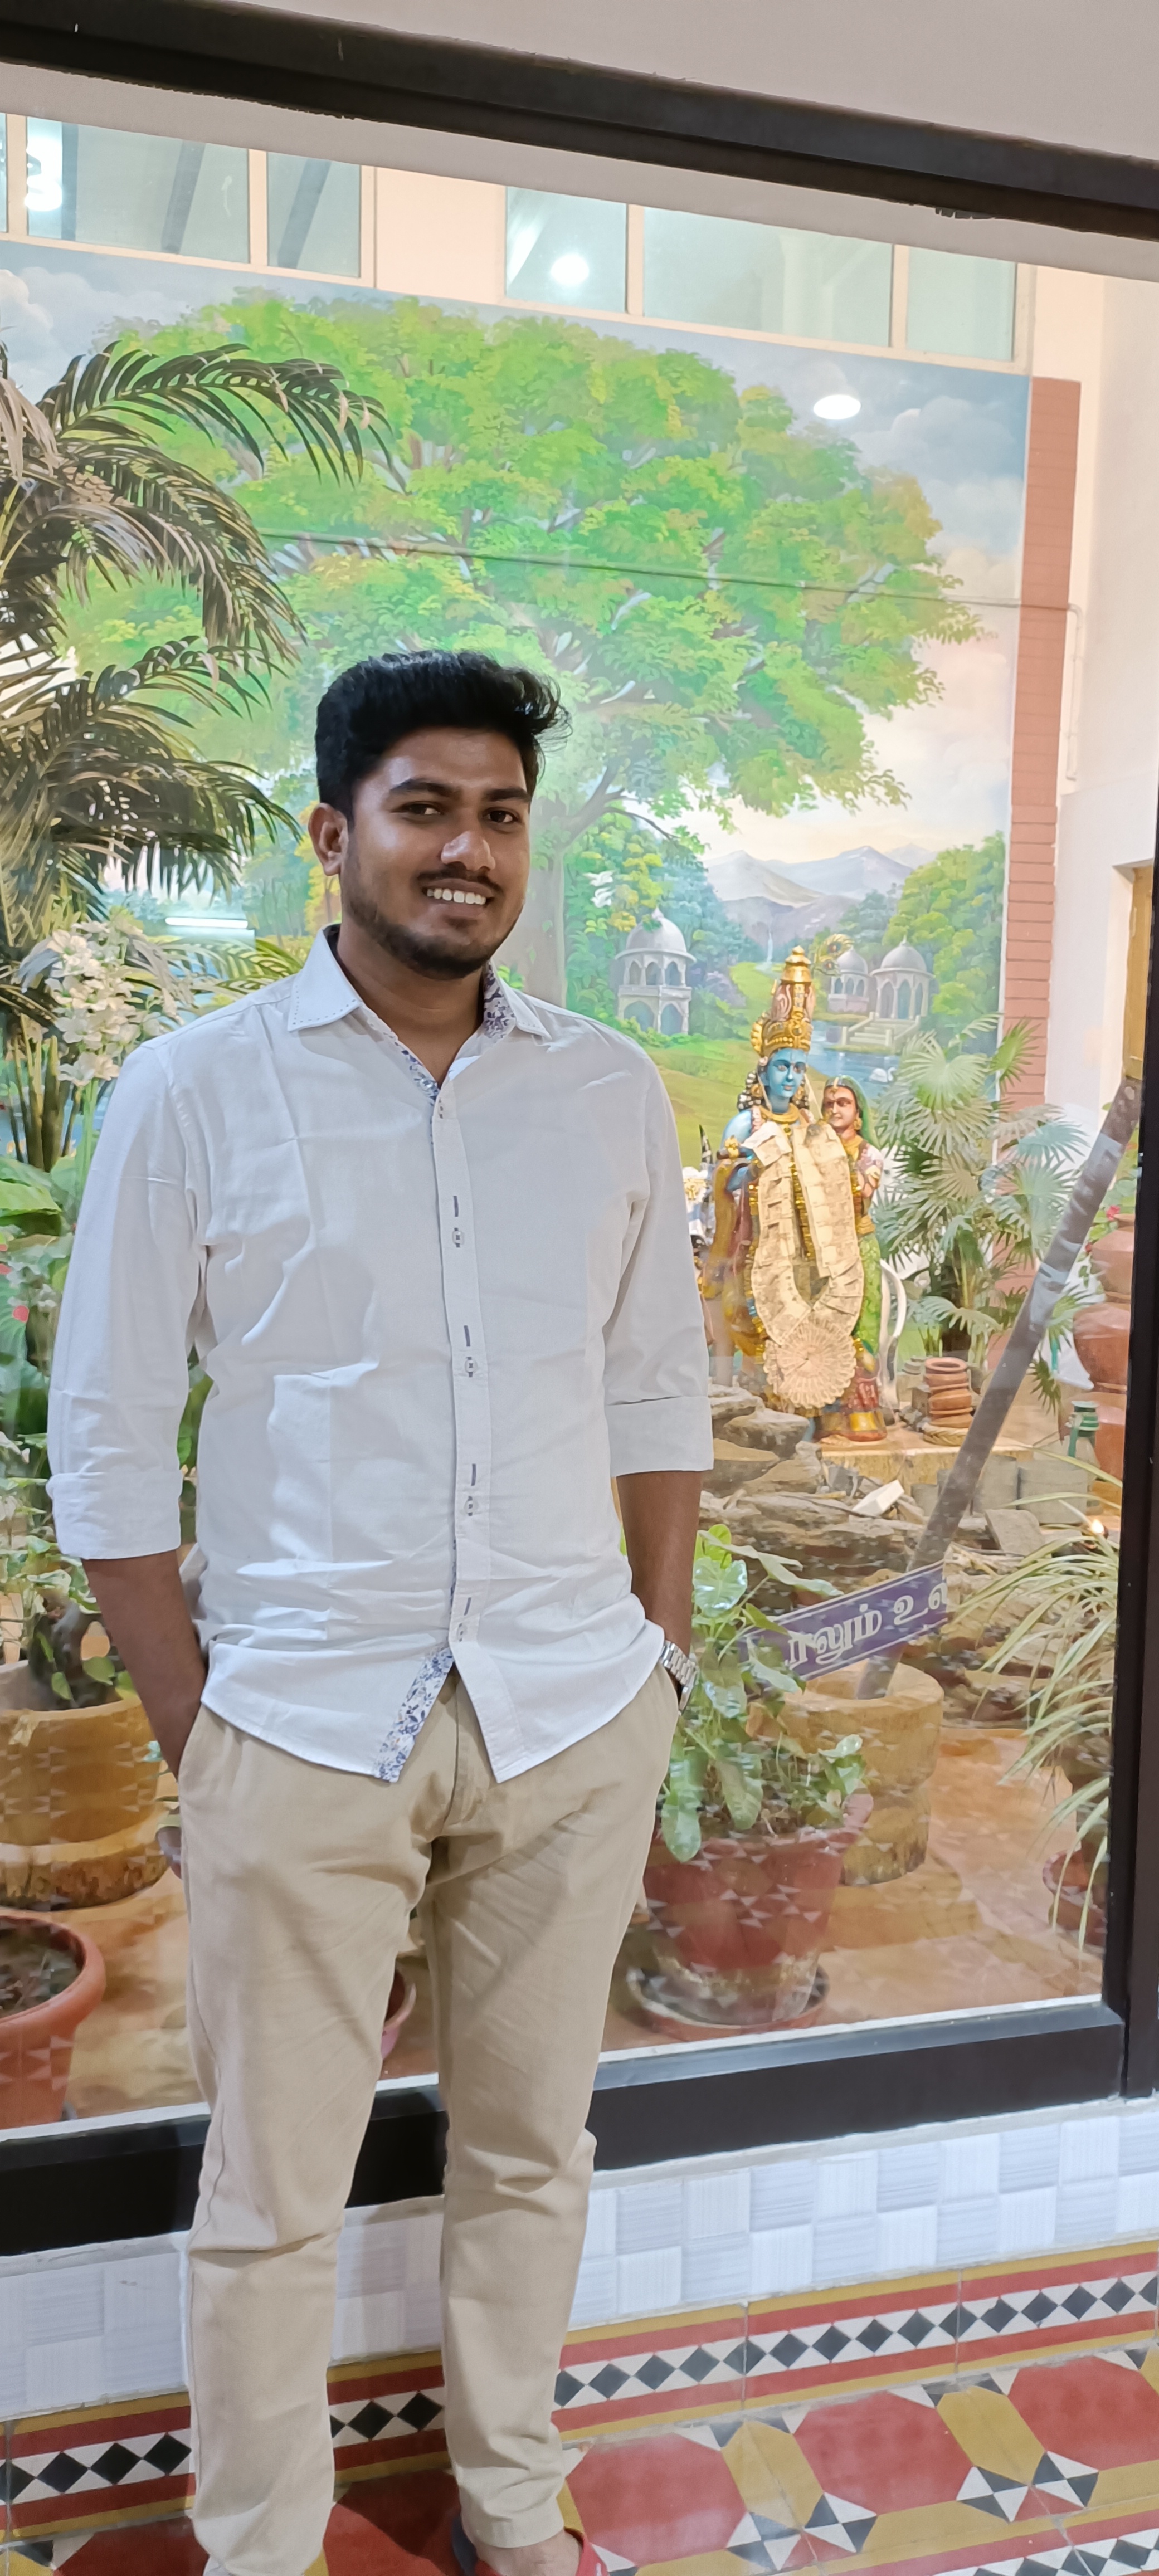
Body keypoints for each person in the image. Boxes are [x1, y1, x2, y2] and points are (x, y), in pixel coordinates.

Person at [48, 650, 713, 2576]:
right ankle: (263, 2543)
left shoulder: (605, 1091)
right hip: (300, 1722)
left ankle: (509, 2501)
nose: (467, 850)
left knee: (532, 2152)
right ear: (333, 836)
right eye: (425, 808)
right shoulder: (195, 1093)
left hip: (569, 1712)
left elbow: (657, 1387)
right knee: (272, 2193)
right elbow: (107, 1441)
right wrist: (202, 1731)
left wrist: (659, 1655)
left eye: (501, 815)